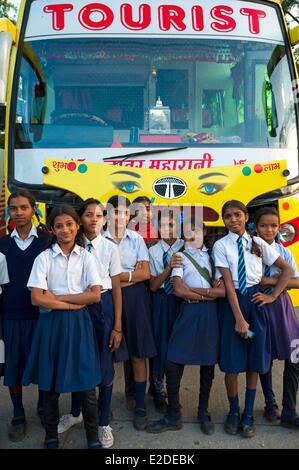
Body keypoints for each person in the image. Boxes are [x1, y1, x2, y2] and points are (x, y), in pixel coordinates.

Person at [22, 205, 102, 449]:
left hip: (80, 325)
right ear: (52, 230)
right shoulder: (44, 258)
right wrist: (71, 303)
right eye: (59, 225)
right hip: (51, 326)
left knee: (87, 385)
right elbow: (37, 298)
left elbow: (95, 296)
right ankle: (51, 436)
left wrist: (57, 297)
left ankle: (93, 437)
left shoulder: (87, 257)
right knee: (50, 385)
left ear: (77, 226)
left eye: (69, 224)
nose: (65, 229)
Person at [213, 200, 292, 438]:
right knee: (232, 362)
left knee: (254, 361)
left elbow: (286, 270)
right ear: (224, 220)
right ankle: (234, 411)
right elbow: (227, 284)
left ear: (246, 217)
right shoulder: (220, 245)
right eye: (228, 216)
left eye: (238, 215)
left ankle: (248, 414)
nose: (233, 219)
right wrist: (238, 318)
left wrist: (273, 296)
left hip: (256, 303)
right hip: (234, 303)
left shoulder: (257, 242)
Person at [58, 198, 128, 448]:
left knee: (105, 366)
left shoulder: (110, 248)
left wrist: (117, 326)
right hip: (77, 306)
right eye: (89, 214)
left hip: (104, 308)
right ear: (80, 219)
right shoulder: (70, 245)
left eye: (99, 215)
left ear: (105, 219)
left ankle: (103, 422)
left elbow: (117, 288)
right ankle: (76, 413)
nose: (94, 219)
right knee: (79, 360)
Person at [104, 195, 157, 430]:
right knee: (106, 351)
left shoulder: (135, 239)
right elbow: (96, 277)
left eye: (125, 213)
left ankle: (140, 407)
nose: (121, 216)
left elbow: (145, 274)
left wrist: (117, 278)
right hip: (106, 298)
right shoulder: (96, 241)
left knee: (138, 351)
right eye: (116, 212)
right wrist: (128, 276)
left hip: (135, 298)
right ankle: (102, 405)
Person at [0, 190, 48, 442]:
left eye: (23, 208)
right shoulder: (2, 244)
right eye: (13, 208)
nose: (18, 213)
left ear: (33, 210)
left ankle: (42, 406)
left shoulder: (46, 242)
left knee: (42, 364)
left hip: (41, 315)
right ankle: (18, 414)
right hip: (10, 316)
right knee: (12, 368)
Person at [254, 206, 299, 428]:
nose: (269, 230)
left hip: (282, 307)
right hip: (261, 307)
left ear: (279, 227)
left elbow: (297, 281)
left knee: (294, 357)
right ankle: (270, 403)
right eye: (264, 225)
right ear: (255, 227)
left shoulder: (285, 251)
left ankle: (290, 409)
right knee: (266, 358)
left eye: (273, 226)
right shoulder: (251, 250)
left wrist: (272, 282)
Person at [148, 208, 183, 412]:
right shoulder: (153, 251)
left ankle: (173, 389)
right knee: (160, 345)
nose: (167, 229)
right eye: (163, 225)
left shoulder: (186, 247)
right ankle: (158, 389)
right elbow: (153, 286)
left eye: (171, 225)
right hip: (161, 301)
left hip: (181, 300)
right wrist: (169, 268)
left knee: (178, 347)